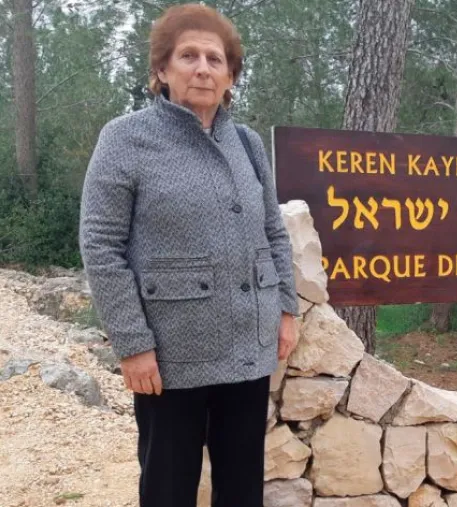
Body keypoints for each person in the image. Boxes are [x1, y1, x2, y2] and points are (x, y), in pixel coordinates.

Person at [78, 4, 299, 506]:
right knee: (168, 486)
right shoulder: (125, 138)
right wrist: (132, 343)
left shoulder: (245, 142)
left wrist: (287, 308)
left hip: (249, 345)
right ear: (162, 69)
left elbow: (272, 231)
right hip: (169, 355)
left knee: (242, 487)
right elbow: (101, 245)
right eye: (188, 56)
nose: (203, 67)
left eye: (215, 59)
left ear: (230, 75)